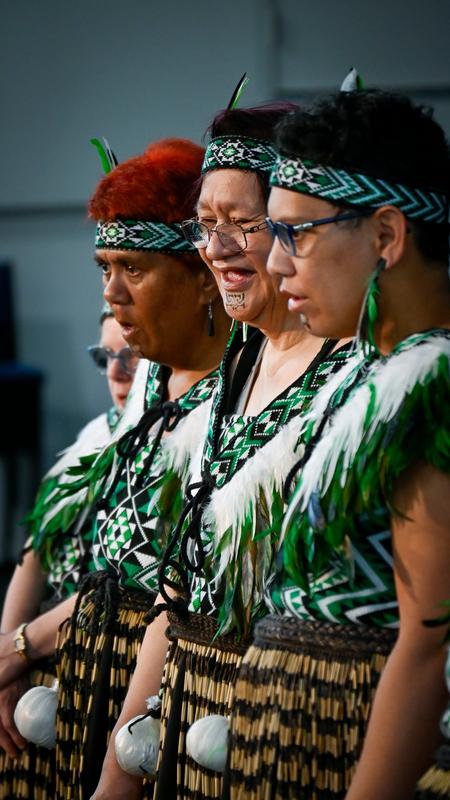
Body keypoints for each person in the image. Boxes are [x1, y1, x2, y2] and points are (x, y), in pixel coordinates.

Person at [88, 101, 352, 800]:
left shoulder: (353, 373)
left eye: (244, 223)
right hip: (183, 725)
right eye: (206, 225)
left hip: (288, 730)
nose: (219, 246)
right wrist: (117, 774)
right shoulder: (239, 366)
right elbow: (177, 595)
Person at [226, 88, 450, 800]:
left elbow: (428, 646)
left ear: (386, 235)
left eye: (299, 234)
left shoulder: (429, 388)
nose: (279, 264)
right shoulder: (361, 375)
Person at [48, 137, 231, 800]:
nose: (112, 294)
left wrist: (18, 643)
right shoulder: (152, 379)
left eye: (133, 267)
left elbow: (163, 578)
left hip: (170, 696)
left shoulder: (236, 394)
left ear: (201, 276)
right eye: (103, 267)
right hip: (88, 663)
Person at [0, 307, 139, 799]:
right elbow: (34, 552)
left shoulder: (175, 438)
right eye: (106, 357)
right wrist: (6, 652)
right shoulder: (93, 436)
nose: (117, 374)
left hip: (107, 668)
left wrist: (17, 649)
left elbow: (129, 582)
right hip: (37, 655)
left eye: (133, 355)